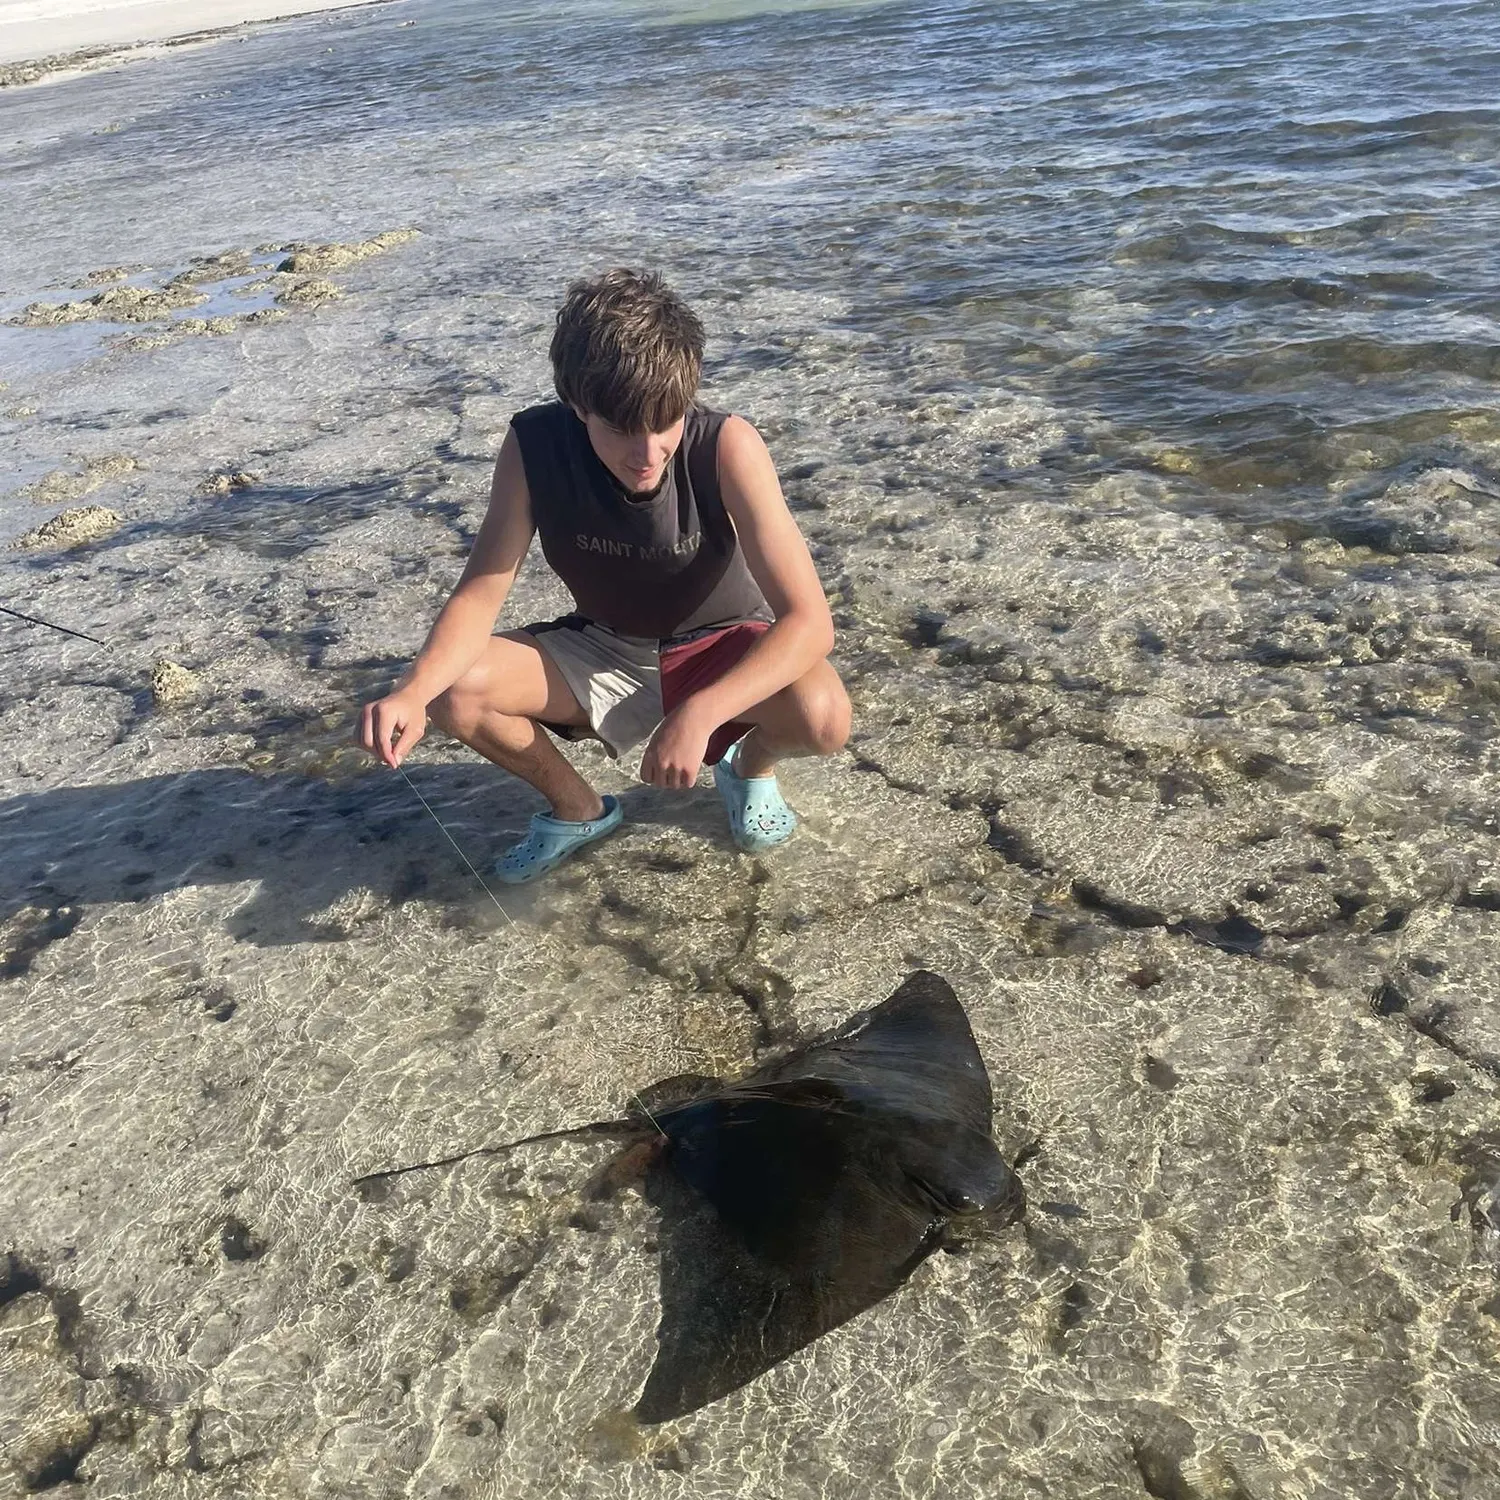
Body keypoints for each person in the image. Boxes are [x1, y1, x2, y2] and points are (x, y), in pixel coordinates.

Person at [358, 268, 851, 883]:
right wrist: (410, 689)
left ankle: (748, 767)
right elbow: (481, 592)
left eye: (665, 423)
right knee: (453, 690)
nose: (646, 454)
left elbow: (810, 623)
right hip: (605, 647)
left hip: (721, 643)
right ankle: (578, 808)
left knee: (824, 717)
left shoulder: (727, 444)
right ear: (577, 404)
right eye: (620, 429)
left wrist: (702, 713)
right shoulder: (534, 446)